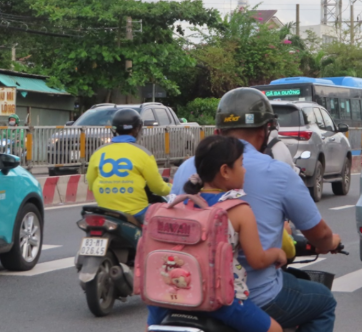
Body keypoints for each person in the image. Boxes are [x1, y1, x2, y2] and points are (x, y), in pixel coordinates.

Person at [165, 88, 340, 332]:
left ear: (217, 134)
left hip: (188, 290)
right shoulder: (272, 176)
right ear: (265, 130)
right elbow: (316, 235)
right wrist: (329, 242)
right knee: (323, 301)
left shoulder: (187, 169)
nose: (245, 169)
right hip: (252, 295)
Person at [146, 135, 287, 332]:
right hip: (219, 301)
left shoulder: (178, 204)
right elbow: (257, 260)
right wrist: (277, 254)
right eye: (241, 164)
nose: (245, 170)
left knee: (151, 328)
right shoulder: (238, 209)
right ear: (225, 171)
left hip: (168, 299)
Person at [86, 108, 171, 220]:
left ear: (114, 129)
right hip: (136, 212)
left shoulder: (98, 152)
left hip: (105, 211)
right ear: (138, 129)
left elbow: (91, 184)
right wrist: (173, 188)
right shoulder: (143, 154)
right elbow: (158, 188)